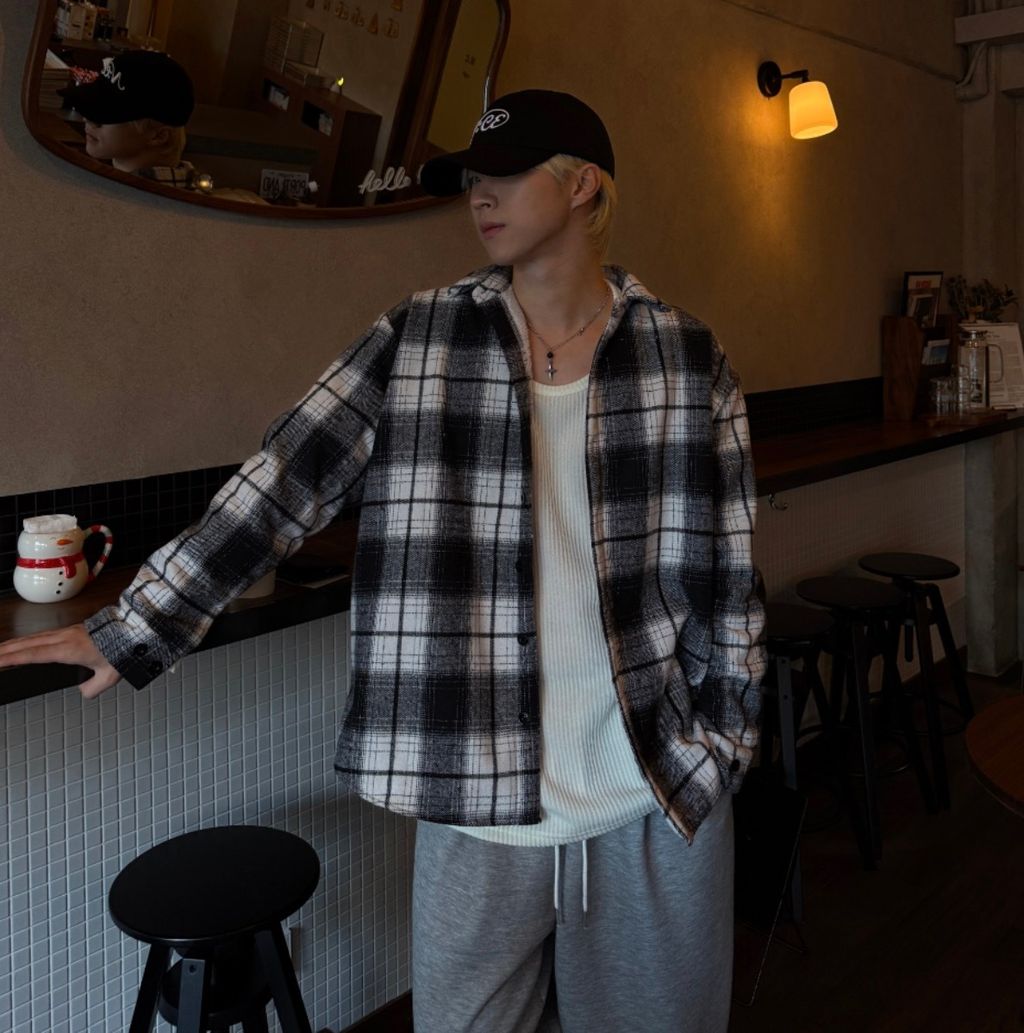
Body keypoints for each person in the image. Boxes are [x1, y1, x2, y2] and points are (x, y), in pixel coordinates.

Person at [0, 89, 764, 1032]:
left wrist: (723, 743)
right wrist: (134, 625)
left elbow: (730, 573)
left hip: (654, 789)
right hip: (475, 797)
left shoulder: (686, 357)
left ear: (583, 186)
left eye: (506, 173)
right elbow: (282, 480)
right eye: (471, 178)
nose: (480, 194)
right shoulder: (419, 338)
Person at [61, 50, 197, 187]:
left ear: (159, 136)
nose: (88, 119)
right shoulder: (117, 183)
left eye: (105, 115)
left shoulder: (135, 197)